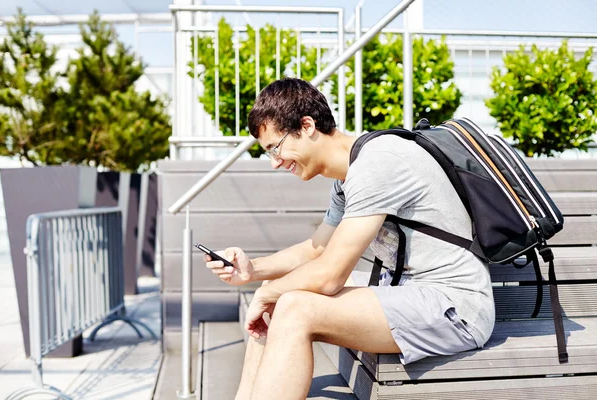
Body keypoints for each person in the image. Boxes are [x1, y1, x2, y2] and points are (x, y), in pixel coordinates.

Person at [204, 78, 495, 400]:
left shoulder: (378, 163)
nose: (275, 161)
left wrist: (269, 292)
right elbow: (317, 249)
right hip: (407, 292)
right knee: (276, 296)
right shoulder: (351, 174)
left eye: (275, 147)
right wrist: (254, 270)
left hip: (454, 307)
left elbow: (330, 276)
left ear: (307, 125)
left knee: (294, 305)